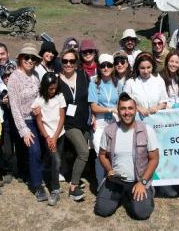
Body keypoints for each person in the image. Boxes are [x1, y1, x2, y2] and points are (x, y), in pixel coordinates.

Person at [94, 92, 160, 220]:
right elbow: (102, 155)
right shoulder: (109, 131)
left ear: (136, 110)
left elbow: (154, 159)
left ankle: (146, 191)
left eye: (130, 108)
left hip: (138, 181)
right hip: (115, 181)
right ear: (118, 110)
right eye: (123, 108)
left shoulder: (146, 130)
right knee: (102, 210)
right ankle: (121, 194)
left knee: (142, 213)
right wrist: (108, 169)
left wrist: (143, 182)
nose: (127, 112)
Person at [124, 52, 176, 198]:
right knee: (140, 155)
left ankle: (163, 184)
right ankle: (143, 183)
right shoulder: (131, 82)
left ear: (152, 67)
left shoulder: (158, 80)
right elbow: (125, 101)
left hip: (156, 124)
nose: (146, 71)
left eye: (148, 67)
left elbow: (164, 101)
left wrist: (158, 107)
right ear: (137, 68)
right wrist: (138, 107)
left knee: (158, 153)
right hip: (138, 123)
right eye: (142, 68)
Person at [7, 44, 48, 202]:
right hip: (25, 120)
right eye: (26, 57)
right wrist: (23, 129)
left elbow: (41, 96)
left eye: (33, 58)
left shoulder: (36, 75)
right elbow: (14, 106)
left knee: (44, 149)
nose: (30, 60)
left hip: (39, 119)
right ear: (20, 59)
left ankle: (35, 173)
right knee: (34, 150)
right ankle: (37, 186)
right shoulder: (14, 78)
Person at [57, 47, 91, 201]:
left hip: (84, 121)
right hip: (68, 124)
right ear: (61, 62)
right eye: (65, 61)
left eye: (71, 61)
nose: (68, 64)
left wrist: (94, 116)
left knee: (77, 153)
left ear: (77, 62)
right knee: (84, 152)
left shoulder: (84, 75)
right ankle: (73, 187)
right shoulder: (56, 80)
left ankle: (73, 175)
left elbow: (90, 97)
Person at [33, 72, 67, 206]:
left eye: (54, 88)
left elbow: (62, 118)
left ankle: (43, 176)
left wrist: (55, 136)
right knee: (56, 160)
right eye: (50, 88)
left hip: (59, 134)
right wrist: (48, 137)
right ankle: (55, 189)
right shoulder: (39, 100)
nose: (52, 91)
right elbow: (39, 121)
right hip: (47, 136)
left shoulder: (60, 97)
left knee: (54, 159)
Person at [89, 53, 121, 185]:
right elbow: (94, 107)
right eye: (103, 66)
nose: (106, 68)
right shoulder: (94, 83)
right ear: (99, 67)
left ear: (113, 67)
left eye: (109, 65)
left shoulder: (117, 83)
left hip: (114, 122)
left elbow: (120, 103)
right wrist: (110, 109)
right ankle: (101, 183)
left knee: (113, 153)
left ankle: (114, 181)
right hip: (100, 122)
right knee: (99, 153)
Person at [0, 42, 16, 184]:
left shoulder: (16, 66)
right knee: (4, 142)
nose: (0, 57)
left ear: (7, 53)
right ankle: (6, 170)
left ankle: (22, 168)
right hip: (1, 110)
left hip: (18, 109)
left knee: (19, 141)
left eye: (2, 54)